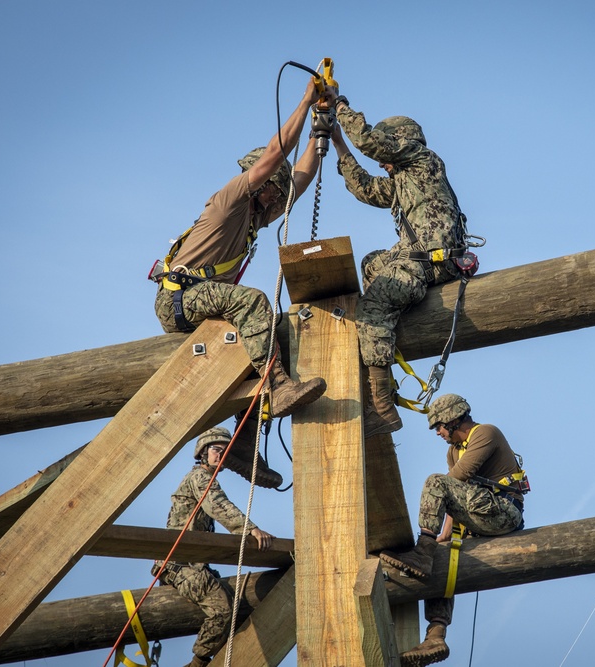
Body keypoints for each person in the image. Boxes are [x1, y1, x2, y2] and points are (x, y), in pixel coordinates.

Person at [153, 79, 336, 420]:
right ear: (259, 183)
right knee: (252, 302)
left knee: (251, 336)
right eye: (273, 191)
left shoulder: (254, 216)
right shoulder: (231, 200)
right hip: (178, 297)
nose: (278, 199)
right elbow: (274, 155)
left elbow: (301, 179)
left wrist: (321, 126)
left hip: (200, 297)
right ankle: (279, 386)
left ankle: (245, 425)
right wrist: (305, 101)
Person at [330, 97, 468, 436]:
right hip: (419, 258)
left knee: (373, 305)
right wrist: (336, 141)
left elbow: (369, 143)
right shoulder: (405, 180)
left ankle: (382, 404)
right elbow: (364, 189)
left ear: (402, 141)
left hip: (433, 261)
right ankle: (380, 344)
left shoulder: (423, 160)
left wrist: (340, 109)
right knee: (370, 264)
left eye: (387, 154)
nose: (383, 165)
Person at [378, 394, 527, 666]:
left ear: (453, 419)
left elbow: (455, 480)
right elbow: (451, 500)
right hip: (476, 515)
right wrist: (440, 539)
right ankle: (436, 633)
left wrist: (427, 541)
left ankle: (423, 549)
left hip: (504, 513)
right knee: (441, 555)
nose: (438, 433)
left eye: (439, 426)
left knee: (436, 481)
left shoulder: (487, 433)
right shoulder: (453, 451)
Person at [152, 427, 274, 667]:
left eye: (225, 451)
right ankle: (198, 662)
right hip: (180, 565)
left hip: (192, 564)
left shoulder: (204, 478)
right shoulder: (200, 478)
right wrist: (250, 528)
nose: (221, 455)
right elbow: (217, 504)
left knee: (236, 608)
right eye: (217, 450)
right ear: (203, 453)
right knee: (222, 609)